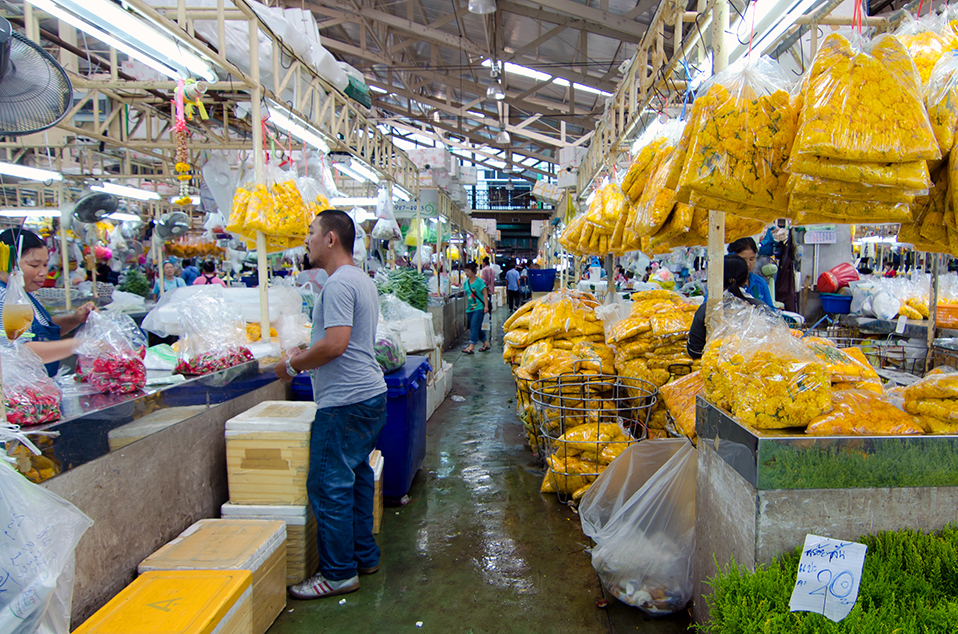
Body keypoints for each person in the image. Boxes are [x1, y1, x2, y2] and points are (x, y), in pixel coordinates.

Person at [275, 210, 387, 600]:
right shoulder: (361, 280)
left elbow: (337, 344)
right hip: (368, 395)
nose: (306, 240)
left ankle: (338, 573)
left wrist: (291, 364)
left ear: (331, 239)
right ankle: (363, 556)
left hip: (345, 402)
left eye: (311, 232)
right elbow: (347, 340)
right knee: (354, 479)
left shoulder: (338, 284)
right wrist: (309, 351)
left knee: (327, 486)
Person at [0, 229, 96, 376]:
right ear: (8, 264)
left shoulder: (26, 293)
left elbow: (38, 331)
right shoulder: (5, 298)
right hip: (16, 391)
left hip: (38, 387)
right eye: (34, 265)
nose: (43, 272)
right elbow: (23, 352)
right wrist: (80, 343)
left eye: (45, 265)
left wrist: (73, 320)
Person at [686, 255, 764, 360]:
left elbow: (694, 351)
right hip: (753, 370)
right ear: (746, 278)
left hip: (714, 371)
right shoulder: (760, 308)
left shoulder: (707, 310)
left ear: (717, 279)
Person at [728, 237, 775, 308]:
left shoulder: (759, 282)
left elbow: (770, 310)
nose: (747, 264)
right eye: (743, 259)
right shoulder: (723, 284)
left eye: (751, 259)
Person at [462, 261, 490, 354]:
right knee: (476, 327)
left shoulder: (479, 282)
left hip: (479, 307)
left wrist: (486, 306)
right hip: (470, 308)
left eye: (468, 271)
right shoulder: (466, 283)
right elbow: (467, 295)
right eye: (465, 271)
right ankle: (486, 343)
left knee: (474, 326)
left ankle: (471, 346)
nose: (466, 273)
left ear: (474, 271)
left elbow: (485, 295)